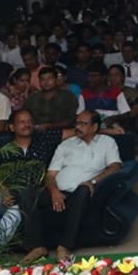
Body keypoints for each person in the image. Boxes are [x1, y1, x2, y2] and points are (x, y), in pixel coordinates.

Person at [21, 110, 122, 262]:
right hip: (58, 192)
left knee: (83, 190)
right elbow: (50, 175)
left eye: (83, 124)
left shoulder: (107, 143)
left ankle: (64, 246)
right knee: (27, 194)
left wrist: (92, 181)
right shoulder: (65, 145)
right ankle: (38, 246)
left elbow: (115, 167)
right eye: (77, 123)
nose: (78, 127)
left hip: (82, 192)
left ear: (94, 127)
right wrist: (54, 191)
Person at [25, 66, 80, 131]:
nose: (46, 82)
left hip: (62, 133)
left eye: (49, 78)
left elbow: (71, 120)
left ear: (56, 80)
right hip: (36, 133)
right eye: (42, 79)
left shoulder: (68, 97)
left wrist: (51, 126)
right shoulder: (32, 99)